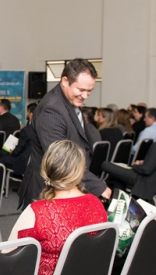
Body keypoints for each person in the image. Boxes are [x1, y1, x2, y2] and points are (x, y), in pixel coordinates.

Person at [9, 140, 107, 275]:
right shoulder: (96, 204)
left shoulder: (37, 212)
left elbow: (6, 258)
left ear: (46, 168)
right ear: (80, 171)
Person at [18, 58, 111, 208]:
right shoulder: (52, 109)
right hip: (48, 192)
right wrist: (98, 187)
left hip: (68, 186)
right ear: (65, 81)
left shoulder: (69, 99)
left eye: (89, 91)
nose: (85, 96)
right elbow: (61, 160)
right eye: (81, 90)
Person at [101, 110, 156, 200]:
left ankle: (116, 201)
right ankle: (119, 201)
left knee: (106, 164)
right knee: (119, 175)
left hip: (145, 180)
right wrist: (144, 162)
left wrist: (135, 166)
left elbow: (146, 170)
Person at [0, 103, 37, 177]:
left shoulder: (26, 130)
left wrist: (11, 152)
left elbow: (17, 151)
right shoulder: (40, 129)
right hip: (34, 162)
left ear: (31, 114)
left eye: (27, 112)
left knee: (0, 158)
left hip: (22, 161)